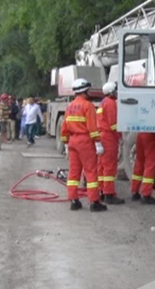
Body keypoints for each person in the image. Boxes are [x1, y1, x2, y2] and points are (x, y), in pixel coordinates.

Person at [60, 79, 107, 212]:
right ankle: (94, 202)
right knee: (91, 172)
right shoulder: (88, 106)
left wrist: (65, 143)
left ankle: (74, 201)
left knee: (74, 172)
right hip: (85, 142)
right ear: (85, 91)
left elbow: (64, 127)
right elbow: (92, 127)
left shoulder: (69, 107)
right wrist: (97, 142)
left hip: (73, 142)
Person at [96, 82, 125, 205]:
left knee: (102, 166)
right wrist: (120, 137)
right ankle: (109, 193)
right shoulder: (110, 103)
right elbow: (114, 124)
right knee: (110, 166)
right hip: (109, 137)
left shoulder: (102, 103)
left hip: (102, 136)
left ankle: (102, 191)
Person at [131, 132, 155, 205]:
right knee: (150, 163)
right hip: (151, 134)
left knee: (139, 161)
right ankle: (146, 194)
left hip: (141, 133)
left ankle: (135, 191)